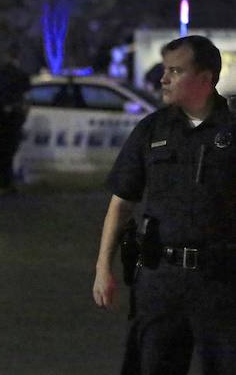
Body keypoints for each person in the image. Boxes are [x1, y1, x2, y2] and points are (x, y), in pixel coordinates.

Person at [92, 35, 236, 374]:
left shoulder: (232, 131)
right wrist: (103, 268)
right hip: (161, 280)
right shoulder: (152, 129)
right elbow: (121, 203)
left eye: (175, 70)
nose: (163, 78)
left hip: (222, 282)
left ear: (205, 78)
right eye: (165, 70)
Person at [0, 49, 30, 191]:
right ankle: (7, 181)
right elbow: (25, 97)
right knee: (9, 151)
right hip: (13, 119)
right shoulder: (21, 75)